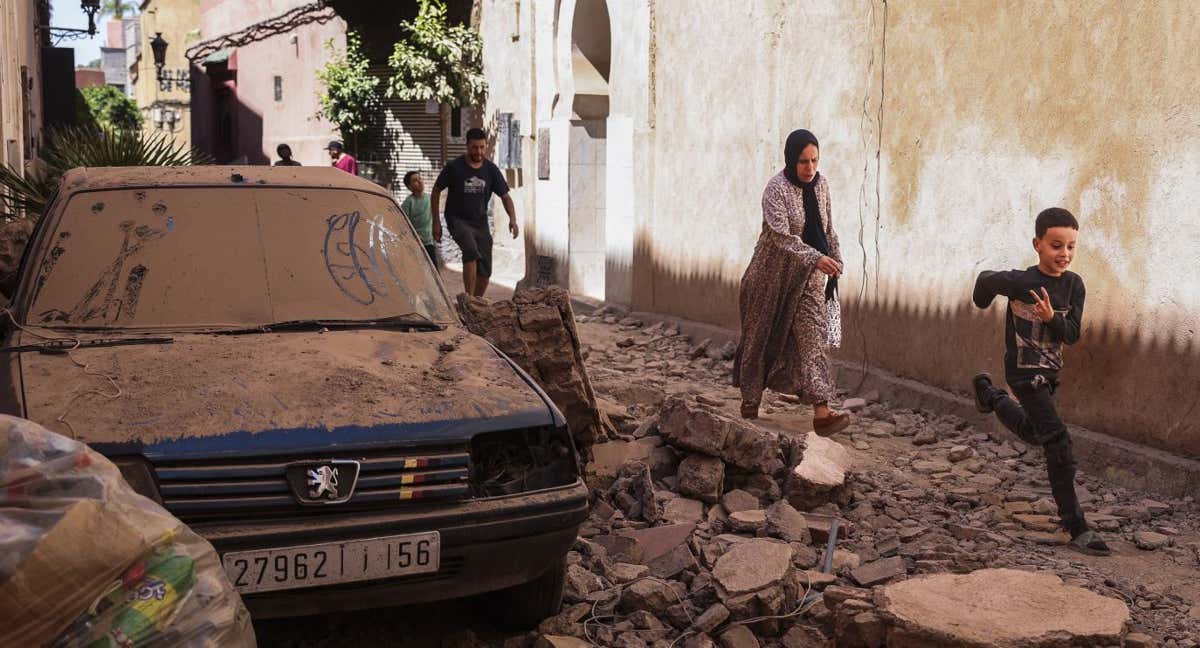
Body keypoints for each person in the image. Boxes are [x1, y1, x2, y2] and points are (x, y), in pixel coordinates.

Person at [971, 207, 1110, 556]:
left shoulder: (1074, 285)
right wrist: (982, 301)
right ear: (1038, 244)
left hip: (1049, 374)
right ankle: (1076, 526)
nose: (1064, 254)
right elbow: (985, 280)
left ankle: (990, 396)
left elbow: (1073, 334)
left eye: (1071, 247)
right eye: (1056, 245)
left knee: (1036, 433)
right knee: (1057, 439)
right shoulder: (1022, 282)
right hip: (1023, 374)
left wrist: (1050, 318)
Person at [733, 129, 850, 435]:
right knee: (760, 338)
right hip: (770, 278)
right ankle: (750, 398)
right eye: (803, 162)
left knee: (813, 341)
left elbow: (829, 230)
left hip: (807, 280)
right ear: (790, 160)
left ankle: (822, 411)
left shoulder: (821, 186)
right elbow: (781, 237)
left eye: (814, 160)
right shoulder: (776, 189)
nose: (810, 168)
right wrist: (816, 258)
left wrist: (835, 259)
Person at [431, 128, 518, 297]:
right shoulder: (454, 167)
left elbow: (506, 197)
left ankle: (477, 302)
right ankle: (469, 300)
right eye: (474, 147)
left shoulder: (491, 169)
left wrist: (512, 219)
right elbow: (435, 191)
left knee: (486, 269)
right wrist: (435, 221)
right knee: (470, 251)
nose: (479, 151)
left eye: (482, 147)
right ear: (467, 146)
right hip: (457, 220)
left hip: (480, 222)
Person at [401, 170, 437, 264]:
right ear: (409, 187)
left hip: (429, 242)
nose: (420, 181)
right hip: (415, 243)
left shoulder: (430, 198)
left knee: (433, 270)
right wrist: (414, 235)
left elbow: (435, 217)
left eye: (420, 178)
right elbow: (402, 224)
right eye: (415, 180)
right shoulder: (408, 203)